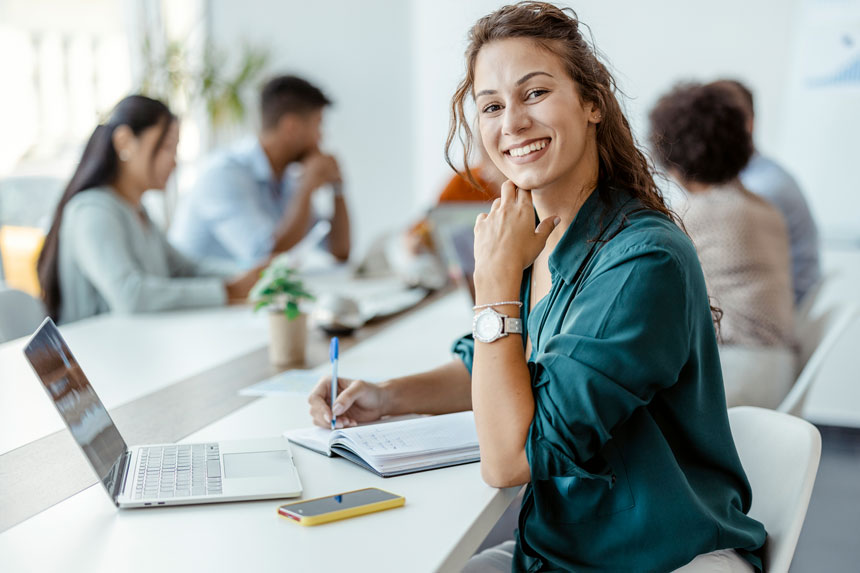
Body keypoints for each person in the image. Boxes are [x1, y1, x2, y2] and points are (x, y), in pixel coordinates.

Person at [308, 3, 766, 571]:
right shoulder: (538, 238)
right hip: (562, 553)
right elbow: (497, 364)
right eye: (492, 106)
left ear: (592, 102)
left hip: (658, 557)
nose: (512, 124)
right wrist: (387, 396)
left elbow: (510, 460)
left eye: (535, 94)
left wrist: (494, 284)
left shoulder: (642, 261)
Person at [37, 95, 260, 324]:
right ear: (124, 142)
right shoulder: (92, 211)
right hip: (95, 355)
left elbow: (186, 268)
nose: (174, 162)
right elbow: (131, 296)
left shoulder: (137, 210)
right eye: (166, 147)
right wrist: (226, 291)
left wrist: (249, 275)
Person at [650, 82, 797, 408]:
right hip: (776, 371)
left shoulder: (696, 215)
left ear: (671, 157)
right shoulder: (762, 207)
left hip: (733, 376)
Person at [169, 75, 350, 268]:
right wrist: (306, 188)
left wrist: (337, 188)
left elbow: (339, 251)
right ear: (291, 127)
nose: (321, 137)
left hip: (243, 297)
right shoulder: (224, 174)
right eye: (318, 124)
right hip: (202, 296)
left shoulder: (285, 179)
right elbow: (265, 257)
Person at [708, 79, 822, 305]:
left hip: (781, 311)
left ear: (747, 124)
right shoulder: (753, 179)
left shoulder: (762, 189)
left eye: (718, 121)